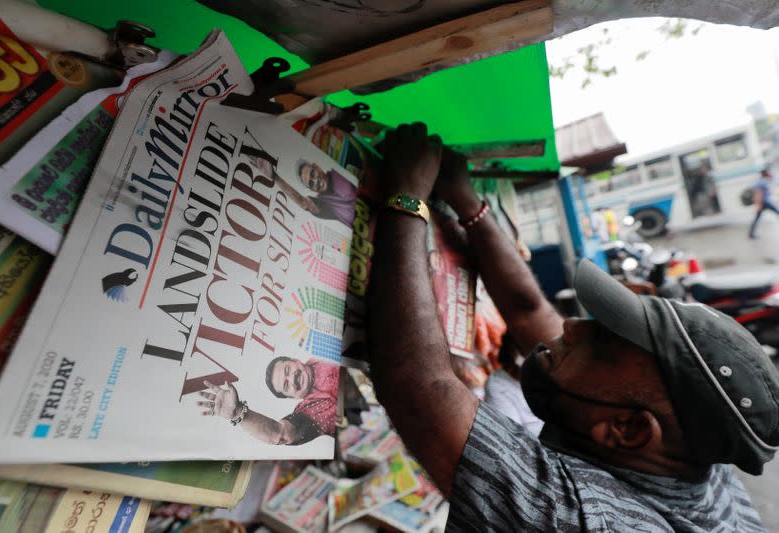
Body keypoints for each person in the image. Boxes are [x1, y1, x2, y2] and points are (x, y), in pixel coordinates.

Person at [369, 123, 778, 531]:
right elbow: (529, 311)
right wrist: (467, 200)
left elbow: (417, 383)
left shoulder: (584, 521)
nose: (574, 328)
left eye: (600, 342)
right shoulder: (693, 450)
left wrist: (407, 196)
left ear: (628, 428)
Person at [196, 356, 338, 445]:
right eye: (286, 385)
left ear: (295, 360)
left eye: (288, 370)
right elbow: (279, 432)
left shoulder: (323, 353)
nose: (292, 379)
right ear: (292, 397)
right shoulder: (309, 411)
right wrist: (238, 413)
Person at [250, 156, 357, 227]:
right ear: (311, 189)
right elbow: (303, 202)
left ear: (317, 167)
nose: (315, 181)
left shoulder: (337, 175)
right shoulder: (324, 205)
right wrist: (274, 177)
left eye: (313, 174)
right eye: (310, 183)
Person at [749, 166, 777, 239]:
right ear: (766, 173)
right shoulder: (763, 182)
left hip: (764, 202)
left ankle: (751, 233)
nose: (770, 172)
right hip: (765, 202)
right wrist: (758, 205)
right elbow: (758, 194)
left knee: (757, 218)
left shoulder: (763, 180)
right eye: (769, 172)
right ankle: (751, 233)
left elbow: (773, 178)